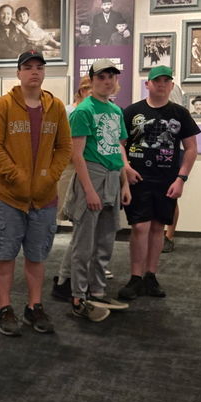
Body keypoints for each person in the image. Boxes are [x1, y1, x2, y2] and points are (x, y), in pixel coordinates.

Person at [0, 50, 72, 336]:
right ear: (19, 73)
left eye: (39, 67)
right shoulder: (4, 105)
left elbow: (64, 148)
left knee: (37, 256)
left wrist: (51, 175)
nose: (34, 72)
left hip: (45, 198)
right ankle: (4, 307)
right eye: (28, 67)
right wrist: (16, 174)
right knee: (5, 255)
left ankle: (34, 306)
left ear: (44, 72)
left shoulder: (56, 107)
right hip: (10, 197)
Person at [117, 66, 200, 300]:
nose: (161, 84)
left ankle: (150, 276)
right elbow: (120, 143)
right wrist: (126, 167)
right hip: (138, 178)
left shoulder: (180, 113)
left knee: (157, 228)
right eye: (157, 81)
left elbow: (191, 148)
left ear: (172, 85)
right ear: (148, 84)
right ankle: (135, 277)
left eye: (166, 81)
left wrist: (181, 178)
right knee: (139, 227)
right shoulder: (133, 111)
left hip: (166, 180)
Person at [65, 58, 132, 321]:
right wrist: (89, 190)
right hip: (91, 175)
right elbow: (77, 155)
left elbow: (119, 147)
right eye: (101, 77)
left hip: (113, 177)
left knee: (105, 240)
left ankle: (97, 290)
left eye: (111, 77)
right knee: (84, 243)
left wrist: (125, 183)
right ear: (91, 81)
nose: (107, 82)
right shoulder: (83, 110)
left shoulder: (116, 112)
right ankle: (78, 296)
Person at [52, 75, 92, 300]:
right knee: (78, 223)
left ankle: (76, 273)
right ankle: (66, 276)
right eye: (85, 87)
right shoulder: (70, 111)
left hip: (90, 170)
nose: (88, 90)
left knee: (86, 227)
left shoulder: (101, 110)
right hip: (71, 169)